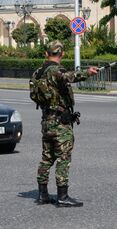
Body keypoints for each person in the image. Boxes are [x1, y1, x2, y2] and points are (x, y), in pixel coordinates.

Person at [34, 40, 98, 207]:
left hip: (46, 120)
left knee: (46, 158)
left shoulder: (37, 72)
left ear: (46, 53)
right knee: (63, 157)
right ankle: (62, 196)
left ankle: (42, 194)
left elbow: (34, 95)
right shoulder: (56, 71)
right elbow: (70, 76)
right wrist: (88, 73)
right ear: (62, 54)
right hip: (60, 122)